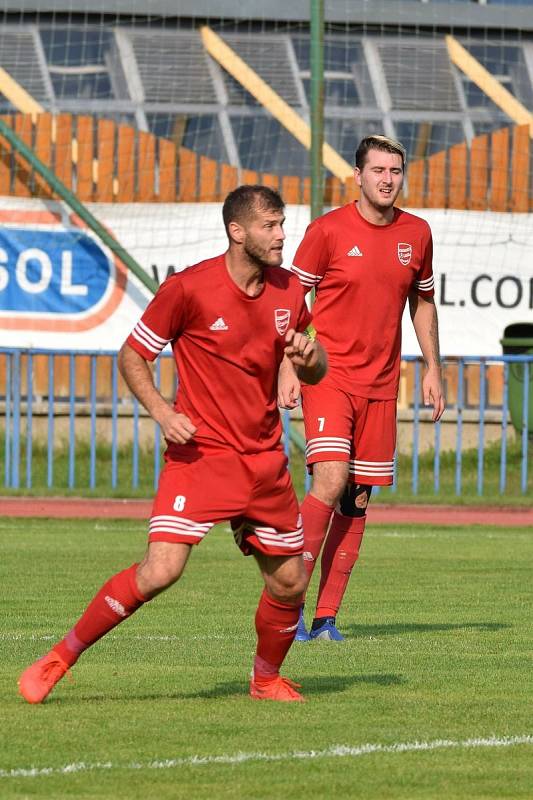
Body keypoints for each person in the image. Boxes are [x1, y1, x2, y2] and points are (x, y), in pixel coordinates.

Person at [18, 185, 327, 704]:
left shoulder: (290, 290)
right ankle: (59, 657)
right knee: (162, 570)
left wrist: (305, 355)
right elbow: (132, 355)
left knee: (291, 582)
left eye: (281, 224)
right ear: (237, 231)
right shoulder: (189, 288)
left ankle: (265, 679)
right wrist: (163, 412)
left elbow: (312, 364)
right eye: (270, 226)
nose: (281, 235)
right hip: (201, 455)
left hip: (264, 460)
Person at [280, 135, 445, 641]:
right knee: (329, 481)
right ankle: (289, 605)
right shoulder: (327, 231)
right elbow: (291, 295)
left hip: (382, 386)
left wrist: (433, 368)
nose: (387, 179)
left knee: (357, 498)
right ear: (358, 175)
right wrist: (289, 364)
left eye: (395, 170)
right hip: (328, 377)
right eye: (378, 170)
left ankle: (327, 617)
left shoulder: (416, 233)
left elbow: (423, 302)